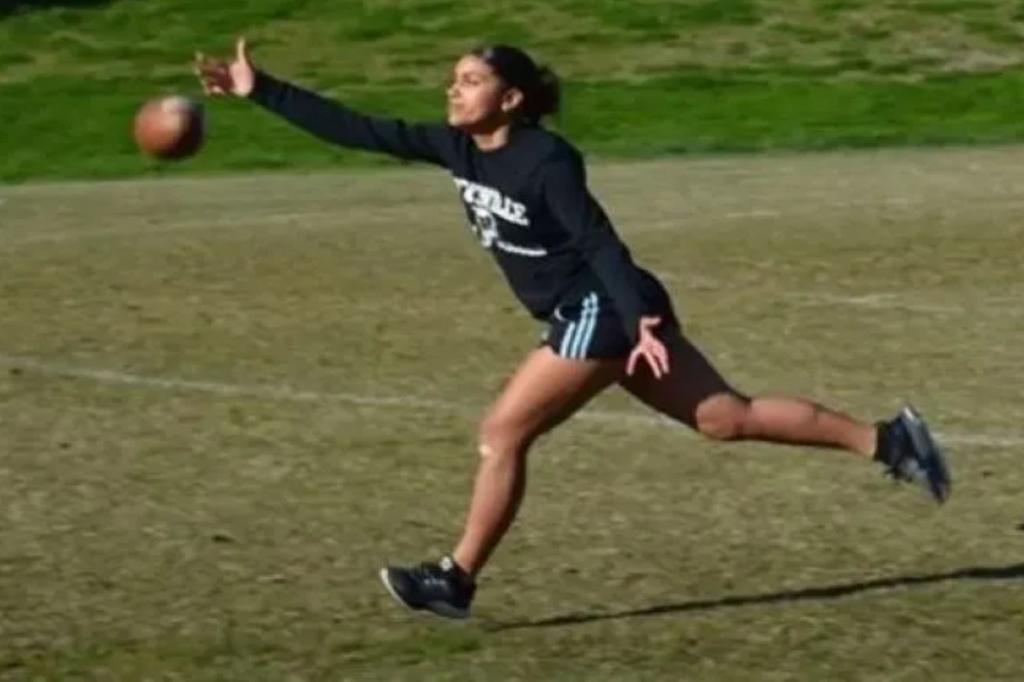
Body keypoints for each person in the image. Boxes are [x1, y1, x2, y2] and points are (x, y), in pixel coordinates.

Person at [195, 39, 951, 620]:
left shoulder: (546, 158)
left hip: (603, 309)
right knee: (726, 417)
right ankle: (890, 441)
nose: (454, 89)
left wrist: (638, 322)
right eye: (454, 78)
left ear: (511, 98)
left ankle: (455, 580)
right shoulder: (457, 146)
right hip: (603, 313)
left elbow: (597, 239)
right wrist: (263, 90)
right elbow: (360, 129)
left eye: (470, 80)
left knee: (501, 434)